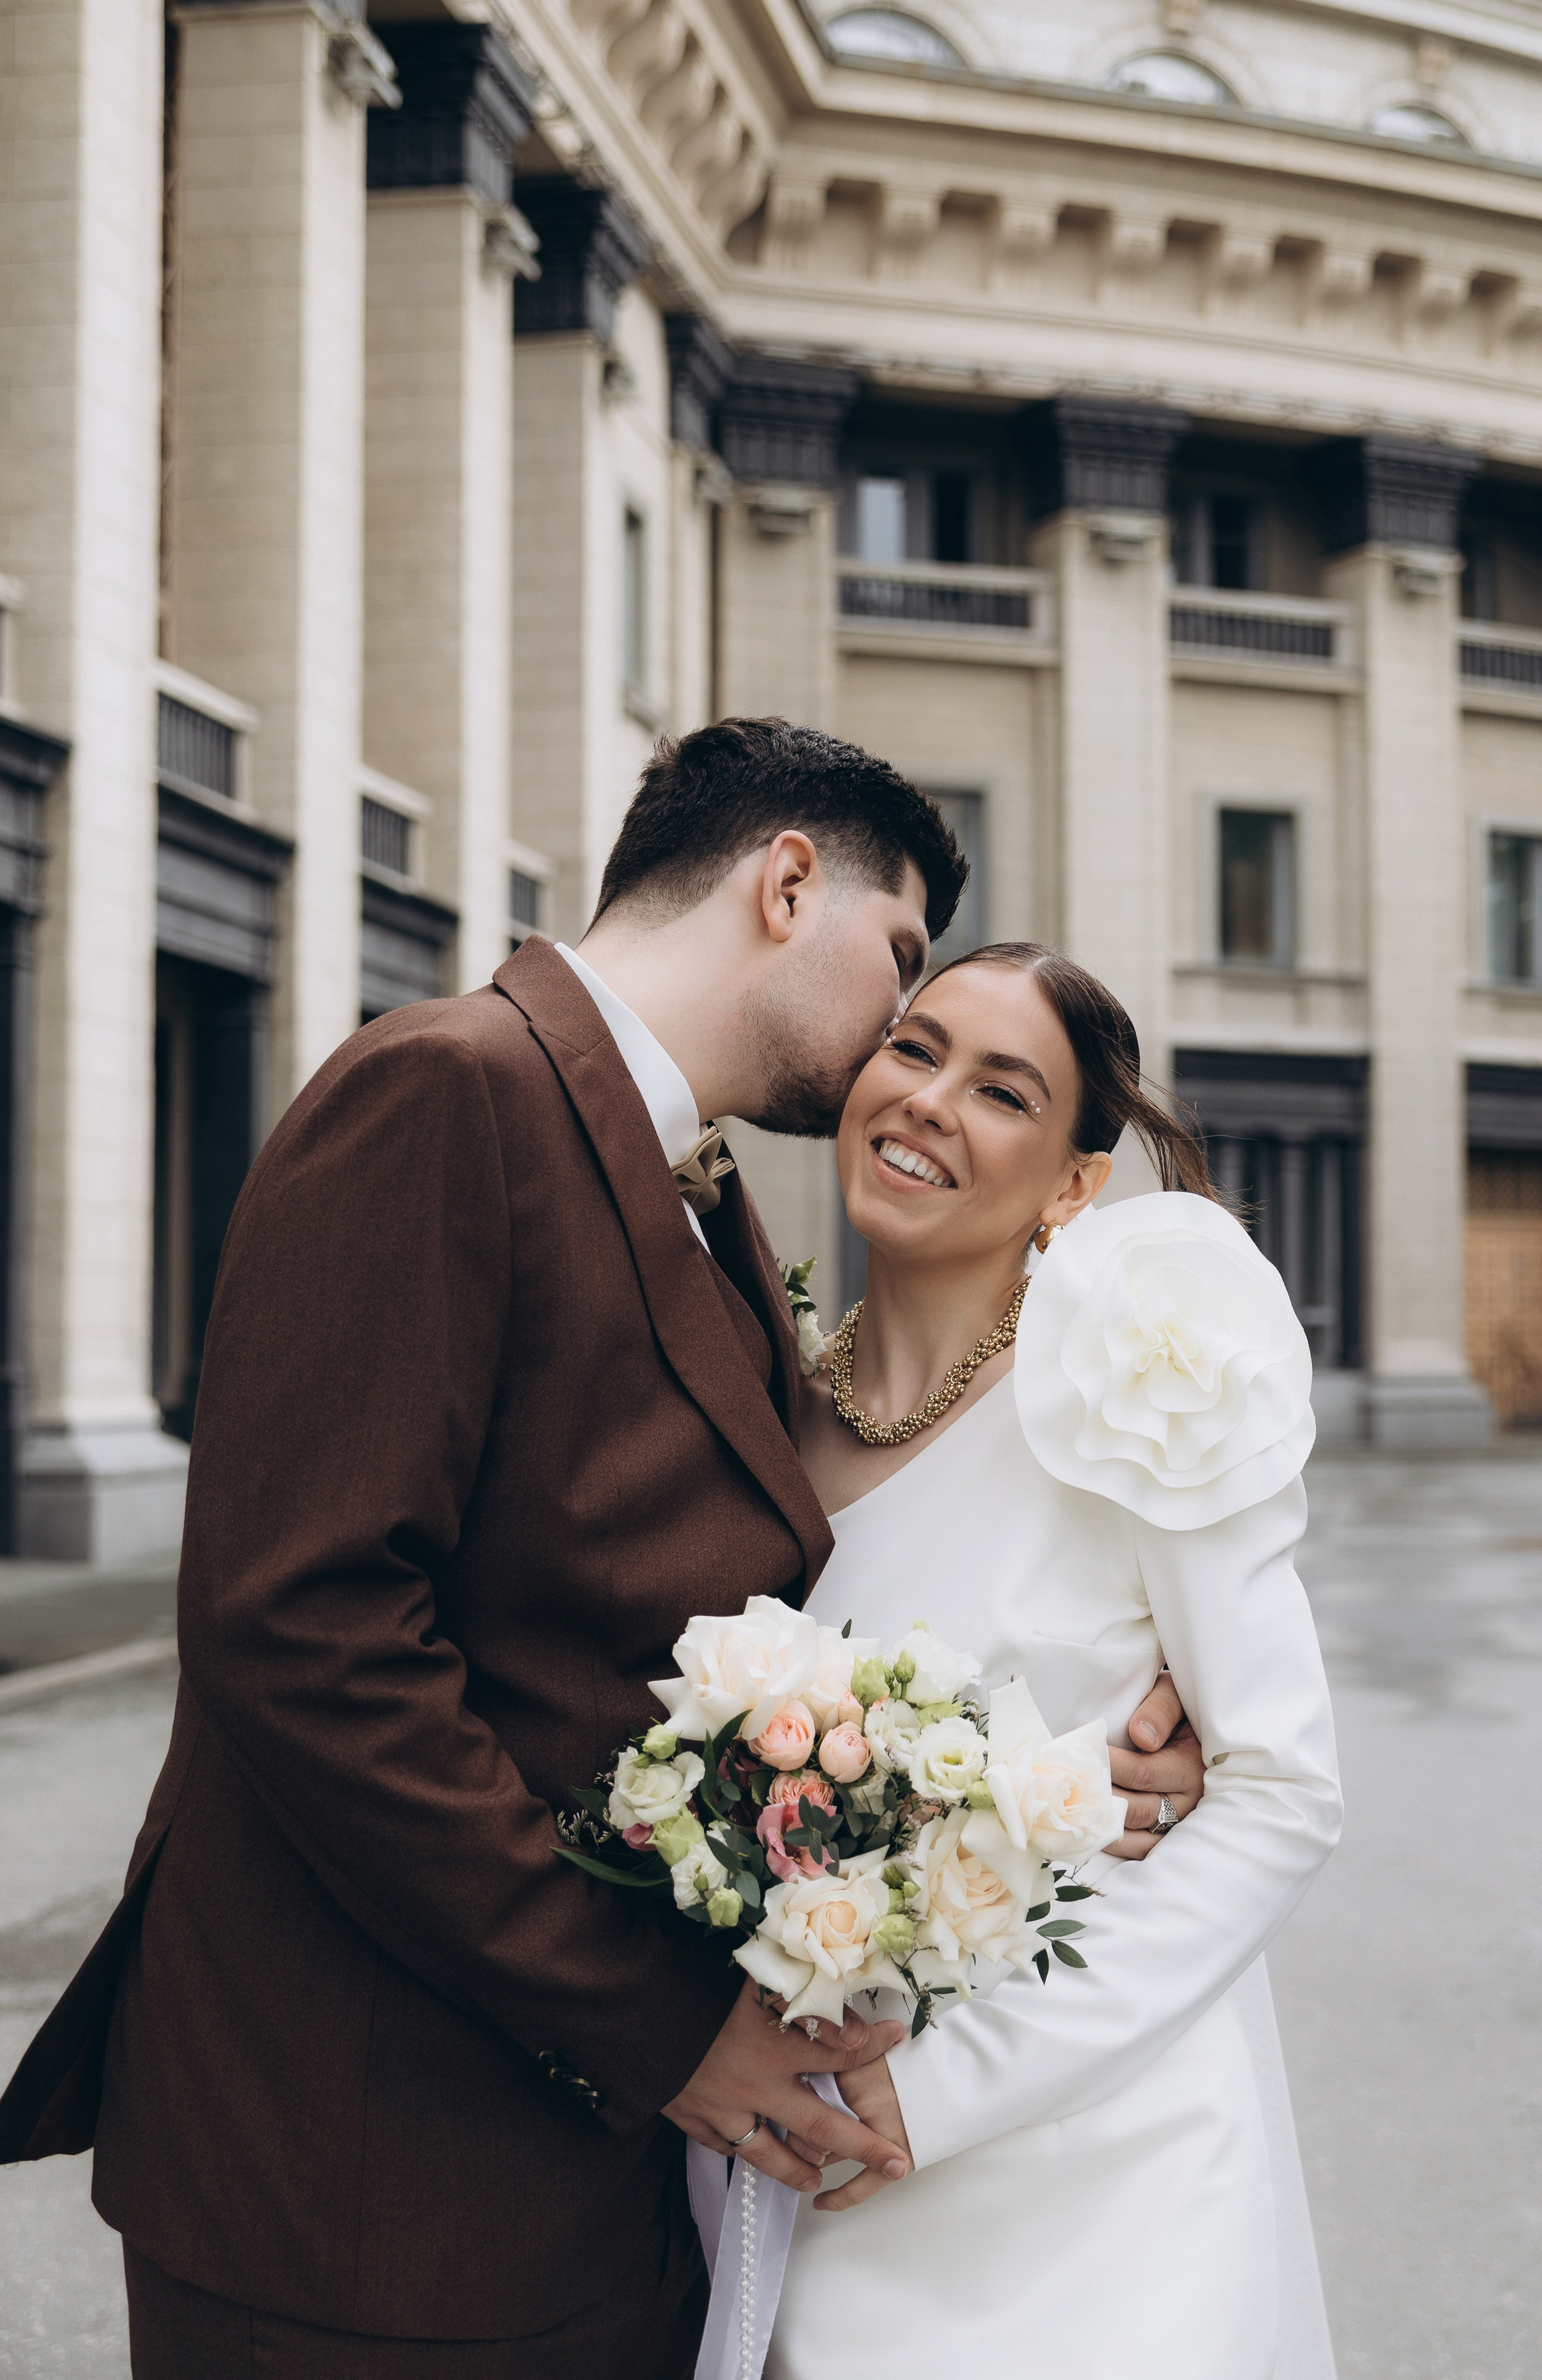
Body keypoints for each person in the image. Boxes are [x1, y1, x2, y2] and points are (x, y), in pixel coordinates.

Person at [0, 723, 1202, 2379]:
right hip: (361, 2178)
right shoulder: (442, 1088)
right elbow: (306, 1632)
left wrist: (1072, 1757)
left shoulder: (696, 1191)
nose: (890, 1044)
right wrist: (664, 2030)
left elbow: (757, 1613)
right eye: (900, 961)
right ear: (790, 883)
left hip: (571, 2182)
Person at [756, 943, 1343, 2380]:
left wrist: (936, 2092)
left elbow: (1277, 1792)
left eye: (1002, 1090)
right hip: (816, 2174)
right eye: (913, 1048)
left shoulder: (1138, 1392)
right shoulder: (756, 1414)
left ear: (1074, 1183)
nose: (930, 1101)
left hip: (1103, 2178)